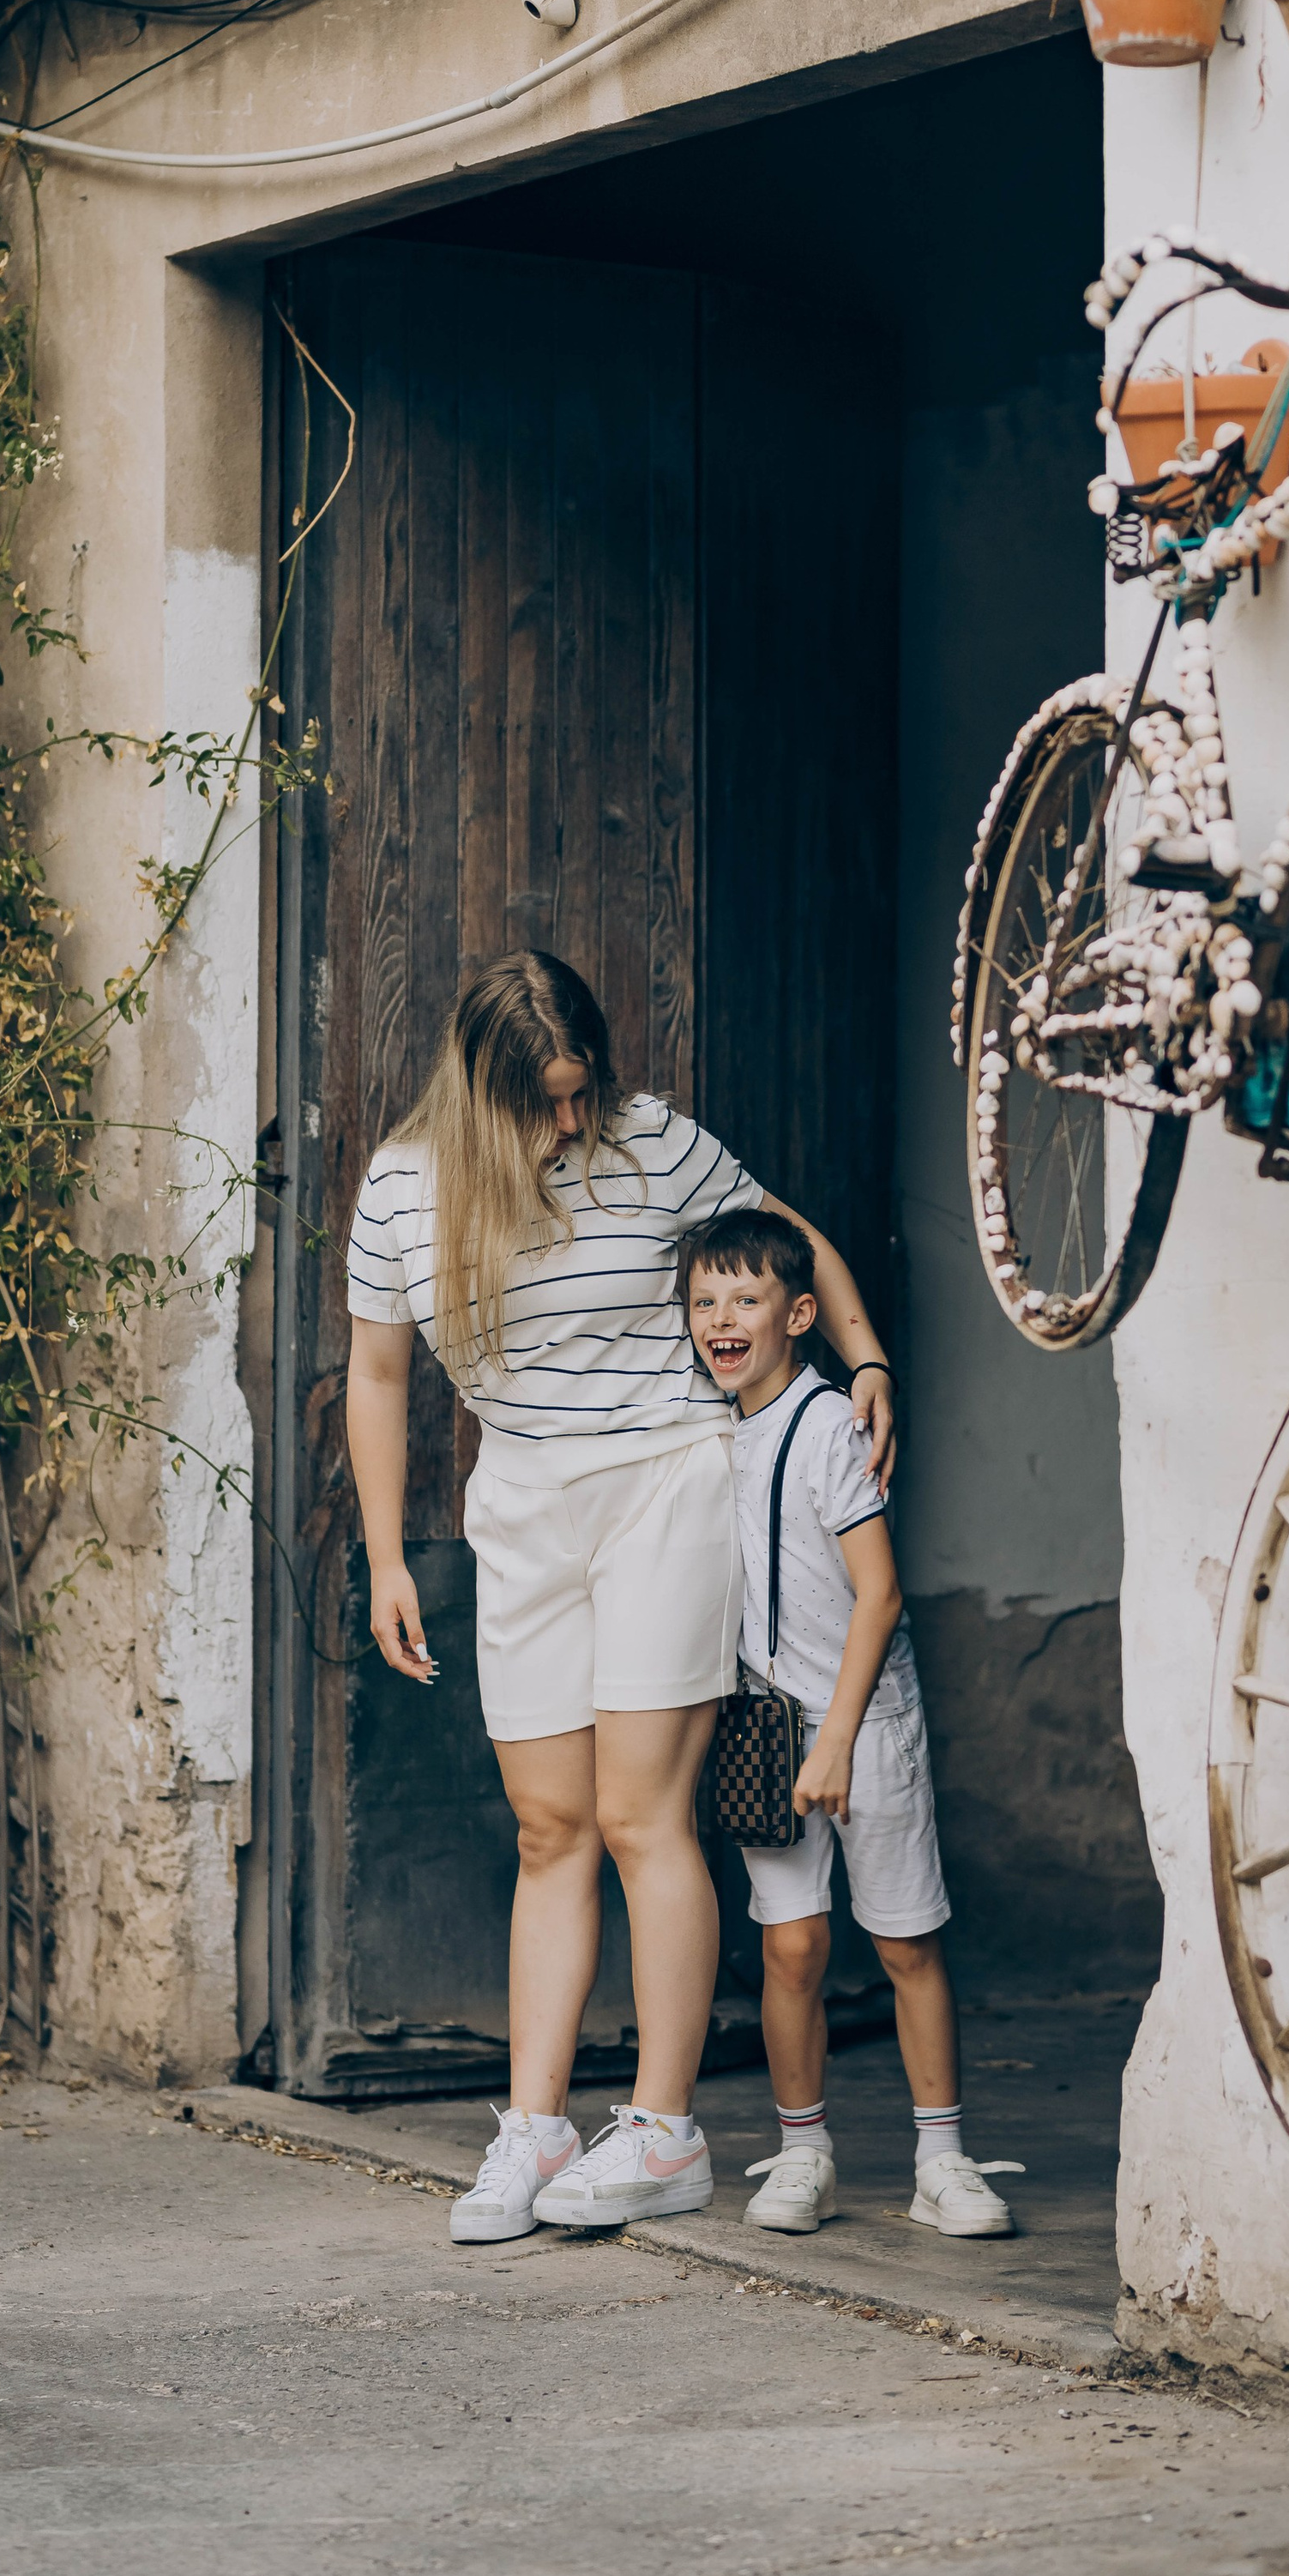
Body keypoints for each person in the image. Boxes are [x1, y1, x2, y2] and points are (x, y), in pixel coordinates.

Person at [344, 951, 895, 2246]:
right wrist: (383, 1556)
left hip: (663, 1483)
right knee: (549, 1828)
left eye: (585, 1093)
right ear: (484, 1095)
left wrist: (860, 1355)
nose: (575, 1122)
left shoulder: (655, 1147)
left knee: (641, 1815)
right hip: (525, 1508)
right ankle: (534, 2130)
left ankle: (661, 2130)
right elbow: (377, 1377)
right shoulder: (403, 1190)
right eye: (547, 1101)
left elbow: (789, 1237)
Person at [684, 1208, 1021, 2240]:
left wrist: (834, 1735)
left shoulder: (829, 1425)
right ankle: (803, 2153)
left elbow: (878, 1597)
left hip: (862, 1724)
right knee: (789, 1949)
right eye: (703, 1302)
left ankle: (940, 2159)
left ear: (797, 1315)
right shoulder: (705, 1427)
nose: (720, 1320)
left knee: (904, 1940)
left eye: (745, 1300)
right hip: (763, 1733)